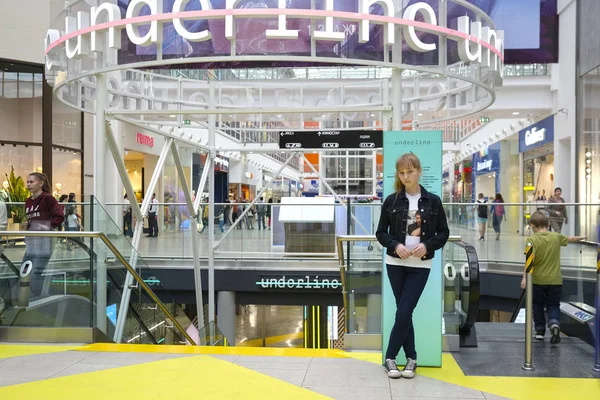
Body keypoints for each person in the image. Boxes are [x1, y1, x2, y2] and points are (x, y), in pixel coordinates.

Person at [376, 153, 449, 379]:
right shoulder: (391, 200)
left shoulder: (433, 201)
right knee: (403, 311)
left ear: (419, 171)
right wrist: (396, 245)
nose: (406, 176)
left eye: (410, 171)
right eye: (401, 172)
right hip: (395, 262)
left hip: (420, 265)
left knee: (405, 310)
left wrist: (427, 245)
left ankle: (389, 357)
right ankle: (411, 359)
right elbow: (380, 233)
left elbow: (443, 233)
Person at [521, 211, 586, 343]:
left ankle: (540, 330)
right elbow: (570, 239)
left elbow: (530, 261)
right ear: (548, 223)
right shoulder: (556, 236)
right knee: (553, 305)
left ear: (532, 225)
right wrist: (583, 237)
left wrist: (524, 278)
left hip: (538, 280)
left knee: (537, 304)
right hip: (555, 280)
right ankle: (554, 323)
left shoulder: (532, 240)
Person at [23, 172, 64, 300]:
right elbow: (33, 219)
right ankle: (26, 298)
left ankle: (37, 300)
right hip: (32, 242)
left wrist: (47, 227)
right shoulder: (28, 201)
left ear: (40, 183)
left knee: (35, 272)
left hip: (45, 242)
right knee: (25, 270)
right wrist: (28, 225)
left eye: (32, 182)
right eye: (28, 182)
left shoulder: (48, 198)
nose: (28, 184)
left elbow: (59, 216)